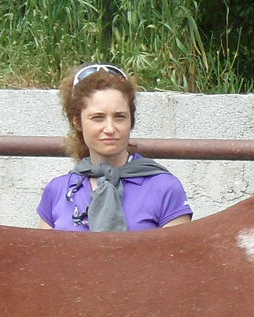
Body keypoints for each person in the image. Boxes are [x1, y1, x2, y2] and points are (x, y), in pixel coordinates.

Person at [38, 63, 194, 232]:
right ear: (77, 122)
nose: (110, 129)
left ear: (131, 121)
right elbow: (45, 257)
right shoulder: (58, 191)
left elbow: (177, 256)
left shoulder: (164, 188)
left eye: (120, 117)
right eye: (98, 118)